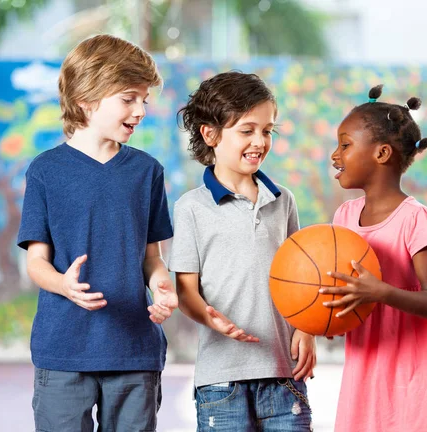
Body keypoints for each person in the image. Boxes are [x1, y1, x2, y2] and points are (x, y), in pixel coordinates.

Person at [17, 34, 177, 431]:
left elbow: (151, 257)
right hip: (63, 351)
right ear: (86, 99)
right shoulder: (45, 171)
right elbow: (36, 262)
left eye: (144, 98)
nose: (140, 110)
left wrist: (162, 285)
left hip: (135, 351)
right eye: (128, 98)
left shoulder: (147, 172)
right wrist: (63, 284)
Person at [169, 71, 315, 431]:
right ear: (211, 134)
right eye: (247, 130)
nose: (260, 141)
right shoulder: (190, 208)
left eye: (267, 130)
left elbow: (301, 278)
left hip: (285, 375)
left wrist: (307, 329)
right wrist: (208, 315)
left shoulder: (284, 200)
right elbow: (186, 290)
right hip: (221, 382)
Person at [321, 85, 427, 431]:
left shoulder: (415, 218)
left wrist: (379, 292)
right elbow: (346, 292)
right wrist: (330, 317)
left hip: (415, 385)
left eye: (345, 145)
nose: (335, 155)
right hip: (365, 381)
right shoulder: (344, 217)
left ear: (381, 153)